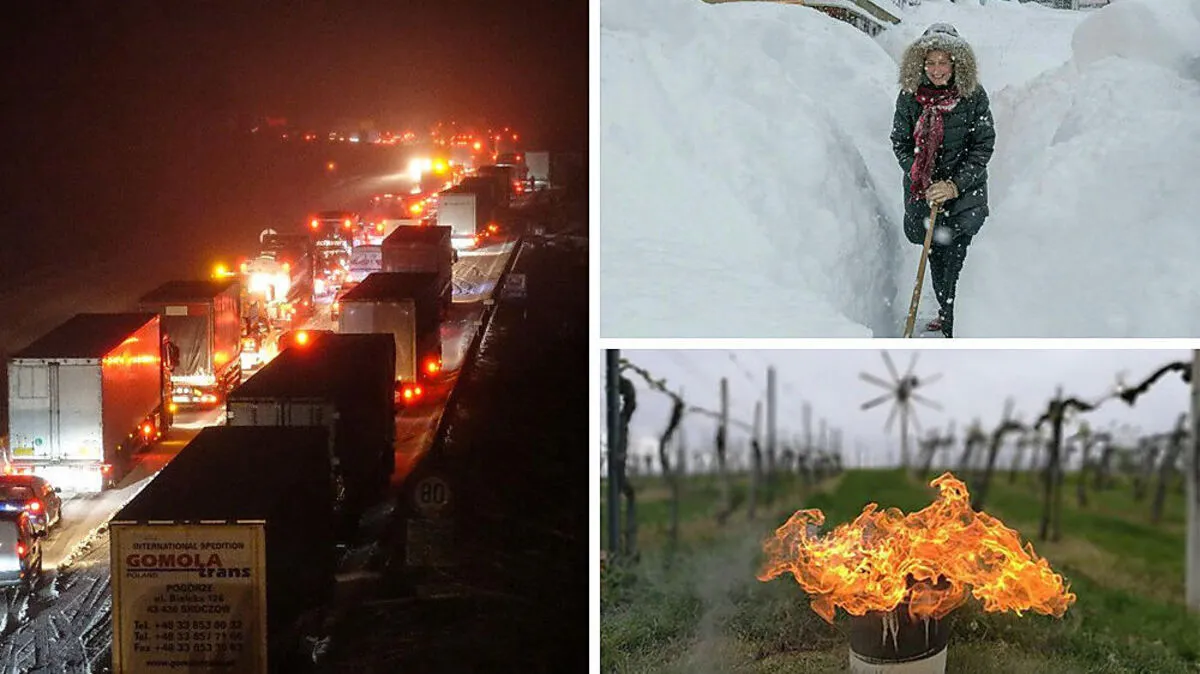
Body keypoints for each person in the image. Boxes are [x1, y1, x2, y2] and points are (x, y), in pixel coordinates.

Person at [891, 24, 995, 338]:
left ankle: (955, 322)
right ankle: (945, 310)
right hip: (925, 196)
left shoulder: (972, 95)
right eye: (931, 63)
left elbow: (982, 146)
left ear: (956, 64)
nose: (937, 70)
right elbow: (900, 142)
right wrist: (922, 180)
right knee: (935, 253)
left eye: (944, 62)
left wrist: (953, 185)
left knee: (958, 256)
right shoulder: (910, 97)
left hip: (964, 195)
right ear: (921, 64)